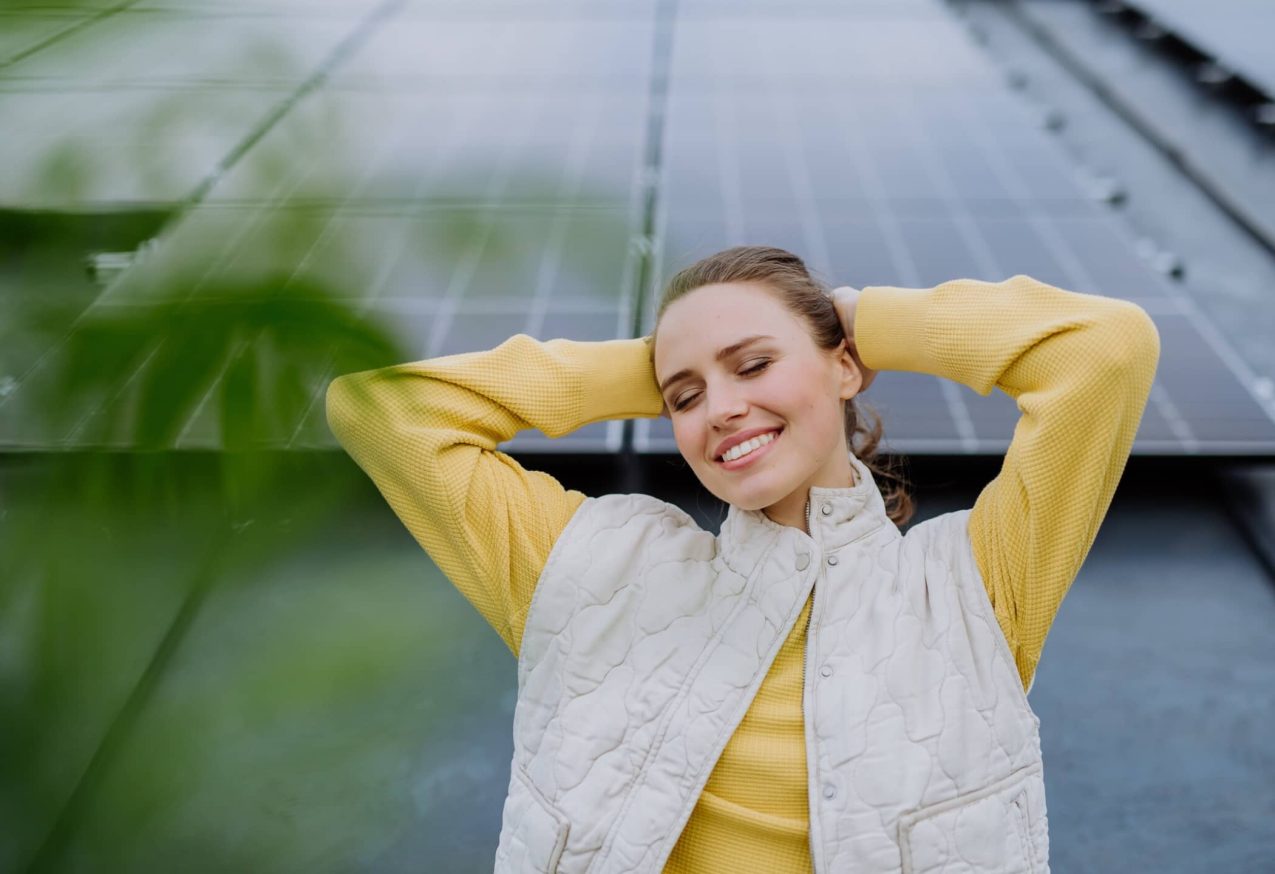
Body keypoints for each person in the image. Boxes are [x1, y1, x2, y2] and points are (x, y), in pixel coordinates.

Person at [325, 245, 1160, 874]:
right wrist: (644, 366)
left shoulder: (972, 584)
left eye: (754, 364)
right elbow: (379, 411)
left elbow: (1105, 350)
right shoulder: (592, 568)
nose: (721, 409)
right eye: (684, 397)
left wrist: (864, 321)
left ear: (843, 368)